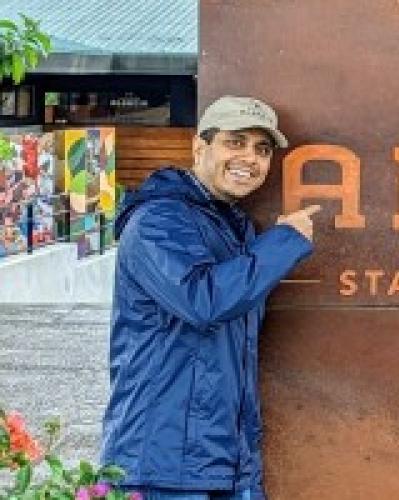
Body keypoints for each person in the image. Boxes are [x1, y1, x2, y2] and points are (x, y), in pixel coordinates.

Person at [101, 96, 321, 500]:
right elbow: (203, 301)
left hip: (225, 465)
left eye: (262, 149)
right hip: (164, 468)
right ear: (200, 147)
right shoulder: (157, 220)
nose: (249, 158)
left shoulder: (231, 228)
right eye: (235, 142)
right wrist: (283, 243)